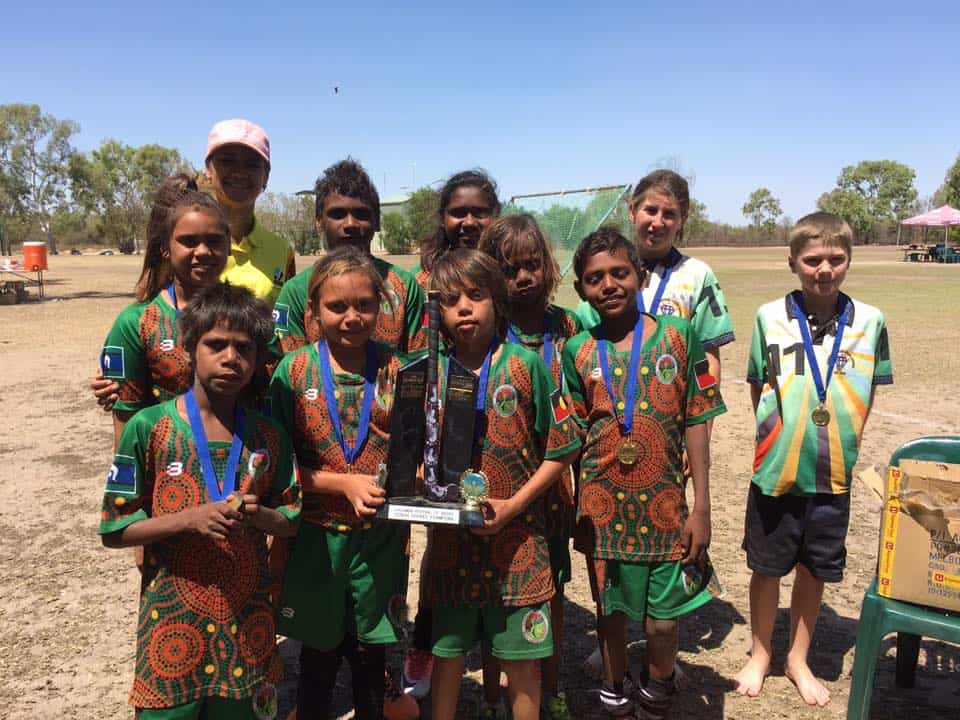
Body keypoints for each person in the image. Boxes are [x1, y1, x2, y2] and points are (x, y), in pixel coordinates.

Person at [98, 282, 301, 719]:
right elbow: (114, 529)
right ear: (190, 348)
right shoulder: (149, 429)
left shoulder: (269, 437)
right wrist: (188, 520)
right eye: (217, 344)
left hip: (247, 625)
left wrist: (260, 514)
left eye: (244, 348)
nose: (231, 358)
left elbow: (291, 519)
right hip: (172, 626)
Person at [562, 228, 725, 720]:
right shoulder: (578, 352)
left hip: (665, 506)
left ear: (639, 276)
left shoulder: (679, 337)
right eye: (594, 278)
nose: (608, 284)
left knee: (660, 622)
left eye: (619, 272)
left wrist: (702, 505)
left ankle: (658, 688)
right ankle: (615, 693)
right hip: (602, 508)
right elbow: (570, 439)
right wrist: (573, 505)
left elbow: (698, 417)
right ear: (581, 291)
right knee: (609, 614)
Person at [734, 212, 893, 707]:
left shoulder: (870, 321)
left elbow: (871, 391)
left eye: (835, 259)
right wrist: (773, 439)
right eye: (812, 260)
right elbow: (758, 384)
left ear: (849, 259)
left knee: (814, 571)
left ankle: (796, 659)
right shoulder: (768, 317)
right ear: (793, 263)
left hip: (834, 476)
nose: (824, 268)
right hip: (777, 471)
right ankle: (761, 653)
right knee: (766, 567)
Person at [423, 249, 580, 720]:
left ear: (498, 301)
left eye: (476, 295)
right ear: (439, 313)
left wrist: (512, 506)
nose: (464, 308)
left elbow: (562, 447)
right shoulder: (426, 373)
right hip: (452, 546)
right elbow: (410, 453)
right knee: (447, 658)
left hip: (519, 546)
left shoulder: (525, 366)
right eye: (451, 300)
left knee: (523, 665)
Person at [269, 246, 418, 720]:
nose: (352, 317)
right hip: (317, 540)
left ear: (381, 305)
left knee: (372, 655)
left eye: (364, 305)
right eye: (337, 306)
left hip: (382, 540)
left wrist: (418, 474)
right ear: (313, 311)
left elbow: (419, 451)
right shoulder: (291, 374)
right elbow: (275, 467)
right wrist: (342, 484)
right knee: (316, 657)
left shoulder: (400, 371)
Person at [478, 214, 582, 720]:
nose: (523, 277)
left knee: (550, 589)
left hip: (555, 482)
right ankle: (494, 692)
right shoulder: (488, 328)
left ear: (547, 266)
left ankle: (554, 686)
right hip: (498, 481)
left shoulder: (568, 326)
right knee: (490, 588)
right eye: (510, 267)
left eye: (532, 265)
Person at [98, 174, 231, 446]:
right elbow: (126, 426)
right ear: (165, 248)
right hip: (165, 473)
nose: (203, 251)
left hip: (239, 474)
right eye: (189, 241)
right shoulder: (136, 322)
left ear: (229, 246)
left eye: (215, 241)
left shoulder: (248, 317)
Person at [273, 158, 424, 354]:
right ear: (319, 222)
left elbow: (419, 362)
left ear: (377, 221)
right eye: (338, 214)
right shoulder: (296, 291)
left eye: (361, 214)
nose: (350, 224)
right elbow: (289, 369)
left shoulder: (406, 287)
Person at [204, 118, 295, 306]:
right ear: (208, 170)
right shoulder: (186, 244)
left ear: (266, 176)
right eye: (227, 161)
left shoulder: (282, 252)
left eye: (252, 164)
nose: (239, 172)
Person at [411, 169, 501, 292]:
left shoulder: (511, 271)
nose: (469, 223)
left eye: (480, 212)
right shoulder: (418, 283)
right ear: (442, 218)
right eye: (458, 213)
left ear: (495, 216)